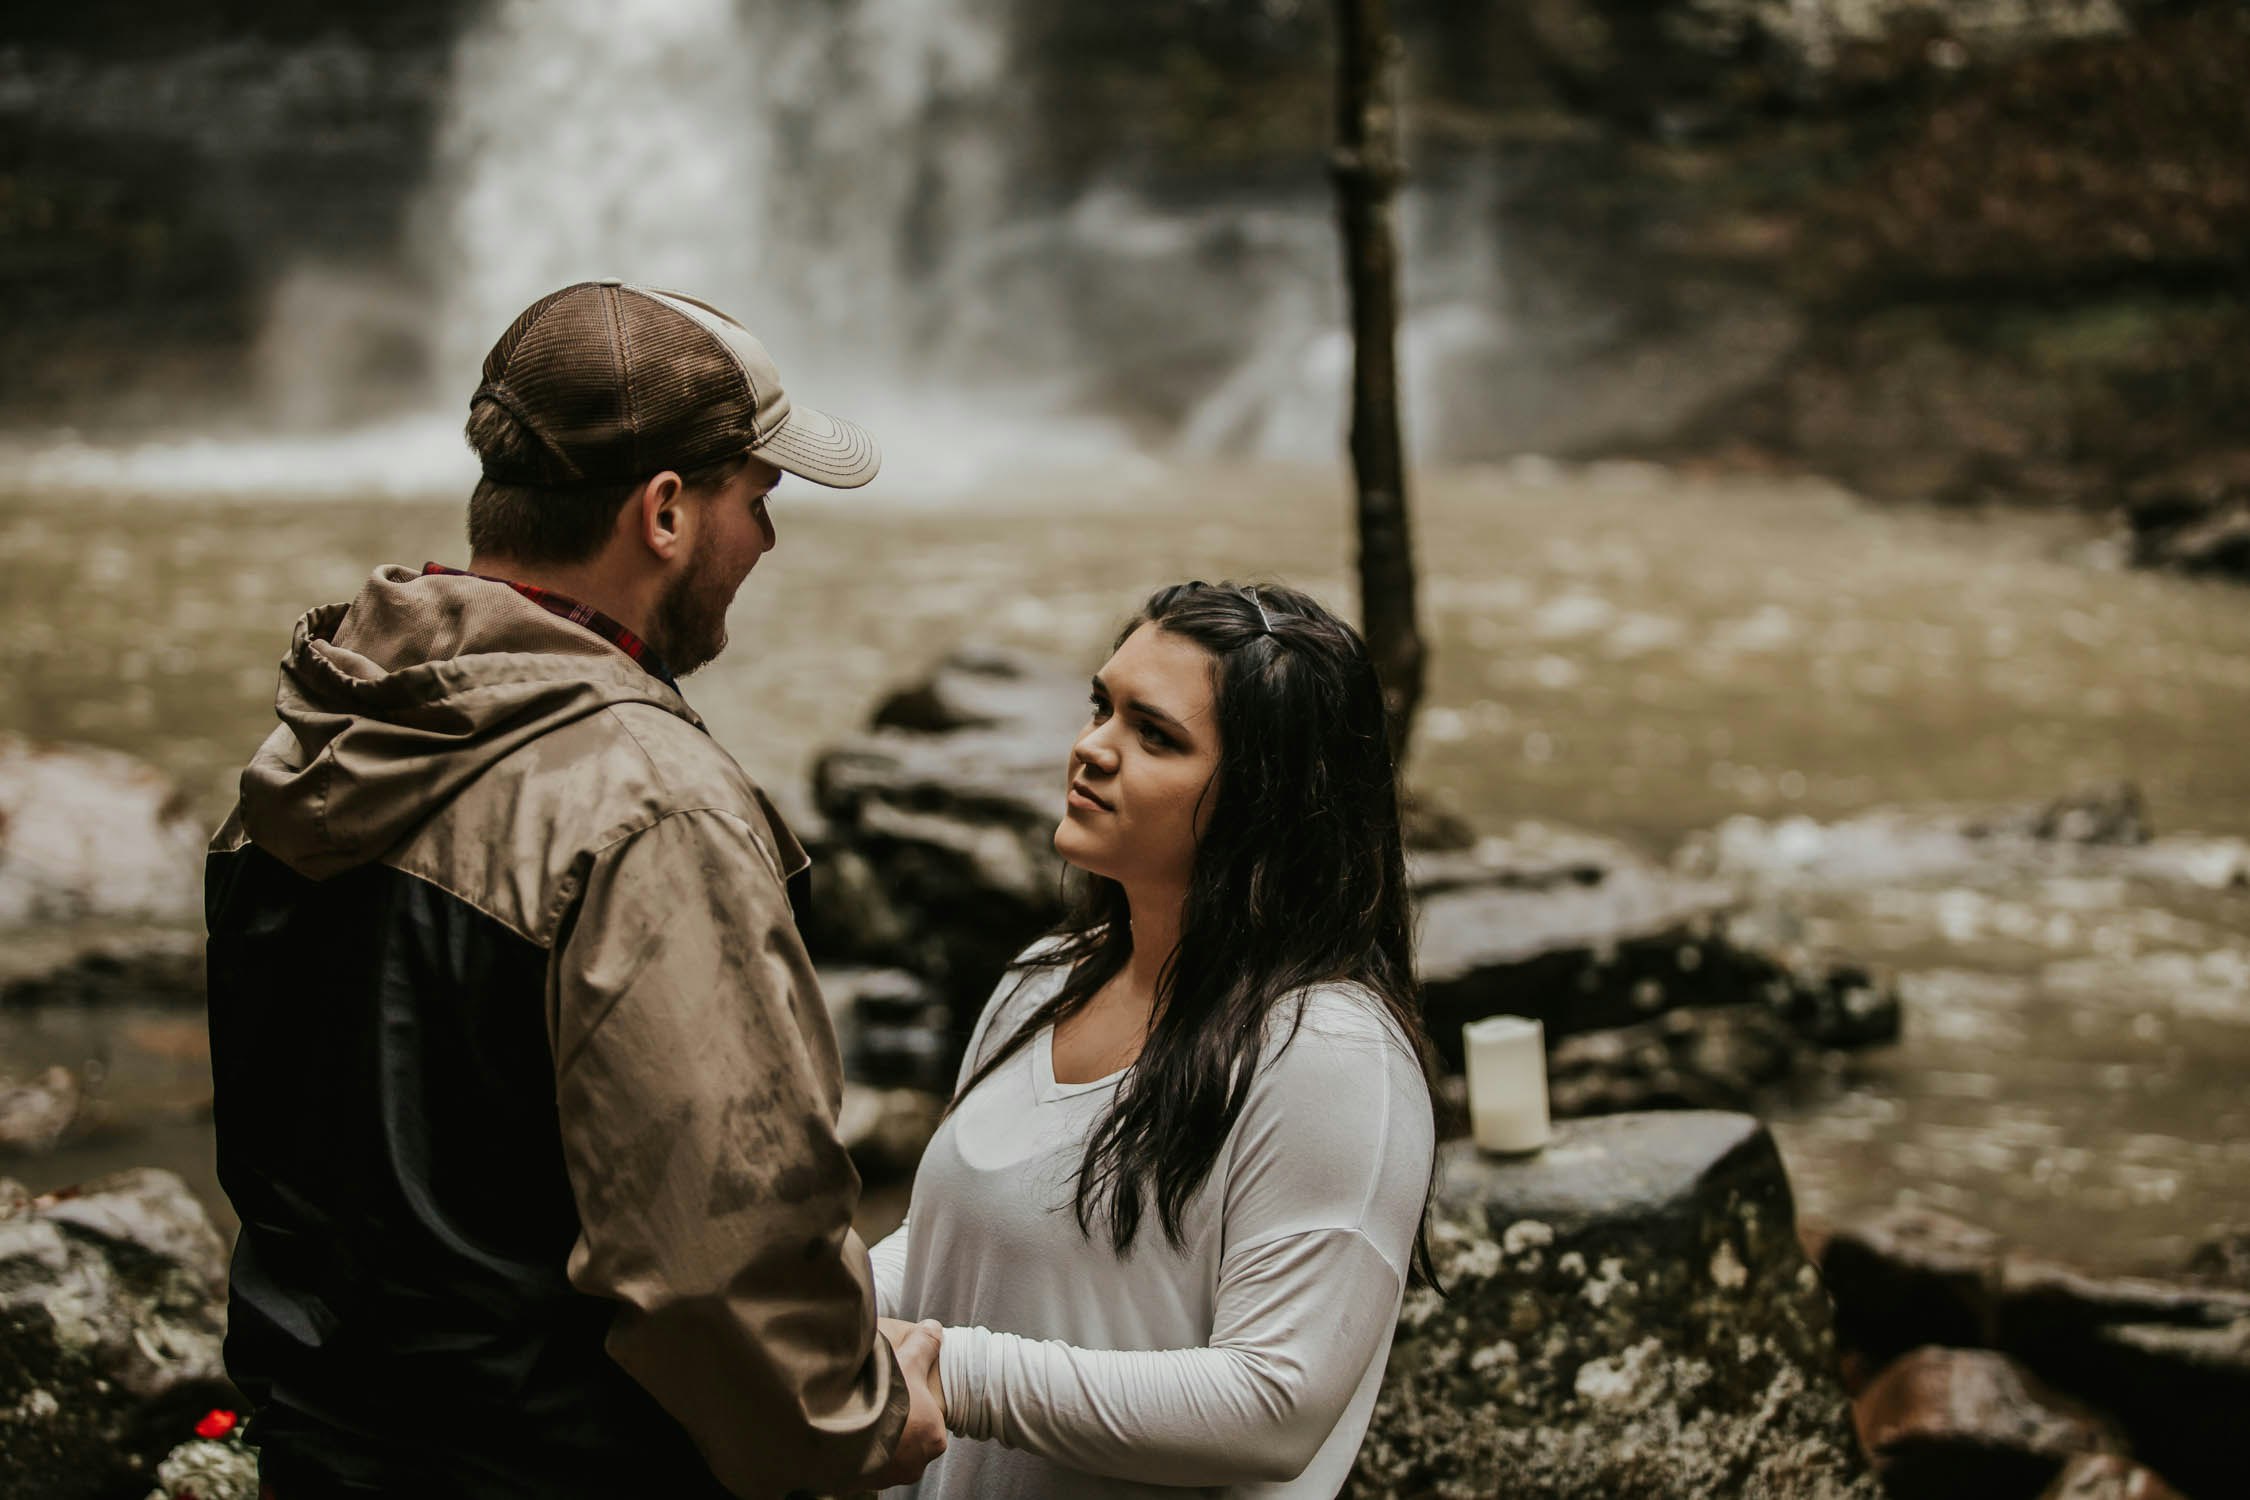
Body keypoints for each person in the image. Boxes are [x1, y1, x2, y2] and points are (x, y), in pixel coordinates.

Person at [203, 279, 946, 1499]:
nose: (767, 542)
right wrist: (859, 1417)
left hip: (324, 1455)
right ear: (666, 512)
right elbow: (715, 1256)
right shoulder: (652, 811)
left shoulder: (313, 745)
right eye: (758, 500)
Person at [869, 580, 1440, 1497]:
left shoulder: (1330, 1054)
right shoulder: (1043, 980)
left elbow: (1274, 1405)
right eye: (1102, 706)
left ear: (1265, 799)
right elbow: (950, 1243)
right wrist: (815, 1306)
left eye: (1156, 735)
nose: (1092, 748)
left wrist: (953, 1376)